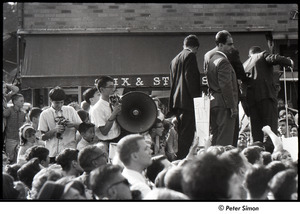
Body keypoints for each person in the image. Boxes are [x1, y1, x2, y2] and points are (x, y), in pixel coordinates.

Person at [243, 46, 294, 153]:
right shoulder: (261, 55)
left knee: (256, 135)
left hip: (251, 103)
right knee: (270, 129)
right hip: (266, 97)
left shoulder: (244, 65)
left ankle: (257, 155)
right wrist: (288, 61)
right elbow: (273, 58)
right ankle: (270, 154)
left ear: (249, 55)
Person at [168, 34, 201, 159]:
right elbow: (191, 79)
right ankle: (183, 159)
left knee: (181, 134)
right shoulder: (190, 56)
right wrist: (197, 101)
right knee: (187, 135)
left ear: (184, 45)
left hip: (177, 102)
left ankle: (179, 158)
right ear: (196, 48)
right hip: (188, 102)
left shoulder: (174, 60)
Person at [205, 30, 238, 147]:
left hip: (214, 102)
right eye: (229, 44)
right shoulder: (223, 61)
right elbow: (226, 86)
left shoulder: (211, 60)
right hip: (224, 104)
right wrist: (233, 107)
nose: (232, 47)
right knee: (225, 140)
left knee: (216, 137)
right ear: (220, 45)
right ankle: (221, 163)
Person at [38, 86, 82, 163]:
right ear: (50, 100)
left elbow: (82, 128)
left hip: (70, 151)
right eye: (57, 103)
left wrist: (73, 124)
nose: (60, 105)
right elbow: (43, 137)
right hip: (53, 153)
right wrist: (54, 130)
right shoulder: (44, 114)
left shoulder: (70, 110)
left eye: (62, 102)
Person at [117, 134, 154, 199]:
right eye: (146, 149)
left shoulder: (126, 177)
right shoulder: (140, 188)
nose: (151, 151)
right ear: (134, 156)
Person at [90, 76, 122, 151]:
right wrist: (114, 114)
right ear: (102, 89)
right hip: (106, 143)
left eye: (114, 86)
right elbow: (104, 131)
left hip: (118, 139)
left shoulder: (113, 103)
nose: (113, 89)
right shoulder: (97, 108)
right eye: (110, 87)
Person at [3, 93, 26, 163]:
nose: (23, 103)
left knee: (18, 159)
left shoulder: (23, 113)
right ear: (15, 102)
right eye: (21, 101)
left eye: (23, 101)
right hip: (10, 139)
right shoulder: (9, 110)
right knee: (9, 159)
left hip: (19, 139)